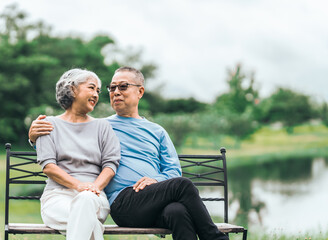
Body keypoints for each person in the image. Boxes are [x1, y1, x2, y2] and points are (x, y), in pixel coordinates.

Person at [29, 67, 228, 240]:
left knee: (178, 212)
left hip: (155, 201)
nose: (115, 92)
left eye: (123, 86)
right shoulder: (101, 126)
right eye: (112, 88)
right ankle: (214, 238)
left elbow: (173, 170)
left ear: (140, 91)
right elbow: (72, 134)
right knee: (183, 185)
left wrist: (156, 180)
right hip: (123, 201)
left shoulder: (157, 131)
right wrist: (33, 137)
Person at [34, 68, 120, 240]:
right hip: (57, 197)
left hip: (95, 197)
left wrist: (93, 188)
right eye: (91, 88)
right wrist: (79, 186)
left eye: (98, 91)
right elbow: (49, 167)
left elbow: (110, 165)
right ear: (72, 88)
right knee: (88, 222)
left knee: (86, 201)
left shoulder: (103, 127)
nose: (96, 94)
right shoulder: (48, 124)